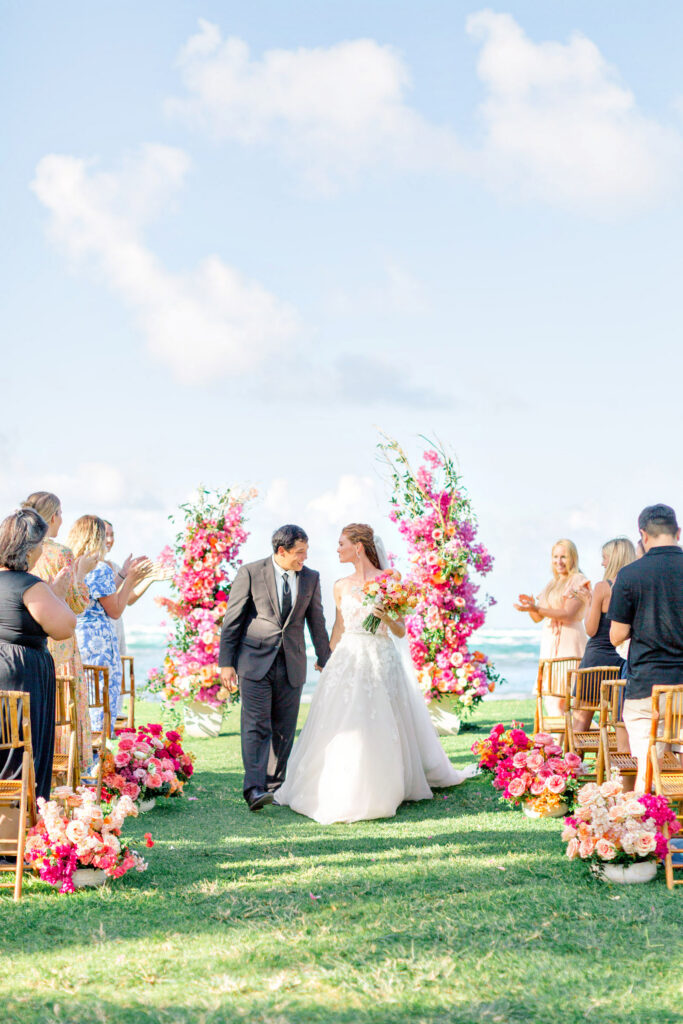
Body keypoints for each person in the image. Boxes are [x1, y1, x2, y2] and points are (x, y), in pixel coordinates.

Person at [274, 523, 476, 824]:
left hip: (381, 656)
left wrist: (387, 617)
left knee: (381, 719)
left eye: (342, 543)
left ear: (358, 546)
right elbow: (340, 627)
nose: (337, 549)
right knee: (343, 719)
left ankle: (384, 783)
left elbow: (400, 628)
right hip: (348, 657)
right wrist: (326, 657)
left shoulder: (391, 580)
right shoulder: (340, 585)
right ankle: (338, 783)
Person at [218, 524, 332, 811]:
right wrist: (226, 664)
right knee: (256, 724)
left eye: (306, 552)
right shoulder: (251, 573)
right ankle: (254, 788)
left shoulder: (311, 578)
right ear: (281, 551)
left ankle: (275, 787)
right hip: (254, 663)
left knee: (284, 728)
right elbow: (233, 620)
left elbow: (316, 622)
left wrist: (325, 658)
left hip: (292, 663)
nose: (303, 558)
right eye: (299, 553)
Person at [0, 508, 76, 801]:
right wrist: (56, 594)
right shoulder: (30, 586)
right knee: (22, 747)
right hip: (22, 673)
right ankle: (21, 824)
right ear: (30, 548)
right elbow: (65, 627)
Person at [609, 504, 683, 792]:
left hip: (646, 690)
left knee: (647, 769)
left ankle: (648, 831)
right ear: (677, 532)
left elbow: (616, 635)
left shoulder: (630, 575)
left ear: (642, 535)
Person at [22, 491, 97, 770]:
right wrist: (81, 573)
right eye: (61, 514)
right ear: (53, 517)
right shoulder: (60, 553)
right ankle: (67, 768)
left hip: (26, 641)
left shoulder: (17, 552)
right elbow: (77, 604)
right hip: (59, 643)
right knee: (63, 707)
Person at [67, 516, 148, 734]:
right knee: (100, 702)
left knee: (81, 699)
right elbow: (115, 610)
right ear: (97, 538)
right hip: (98, 645)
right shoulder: (100, 567)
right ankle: (96, 758)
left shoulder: (72, 564)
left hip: (76, 638)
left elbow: (101, 592)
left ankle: (80, 756)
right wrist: (131, 579)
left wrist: (122, 574)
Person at [514, 539, 589, 718]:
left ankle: (567, 742)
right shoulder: (552, 583)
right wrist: (531, 607)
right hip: (550, 645)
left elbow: (568, 613)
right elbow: (537, 618)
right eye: (555, 557)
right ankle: (561, 743)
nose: (559, 561)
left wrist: (536, 608)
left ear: (573, 558)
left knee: (569, 698)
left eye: (564, 556)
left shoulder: (578, 580)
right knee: (552, 698)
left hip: (569, 643)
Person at [572, 537, 636, 732]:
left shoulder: (603, 587)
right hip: (623, 663)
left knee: (580, 722)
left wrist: (588, 601)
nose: (602, 562)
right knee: (619, 720)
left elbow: (591, 630)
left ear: (614, 559)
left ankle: (571, 762)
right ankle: (613, 761)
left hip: (597, 658)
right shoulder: (635, 587)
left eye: (605, 558)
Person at [103, 519, 171, 657]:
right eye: (106, 535)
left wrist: (149, 578)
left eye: (112, 534)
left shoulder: (115, 567)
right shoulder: (93, 569)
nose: (110, 539)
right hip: (101, 631)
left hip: (116, 627)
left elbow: (129, 598)